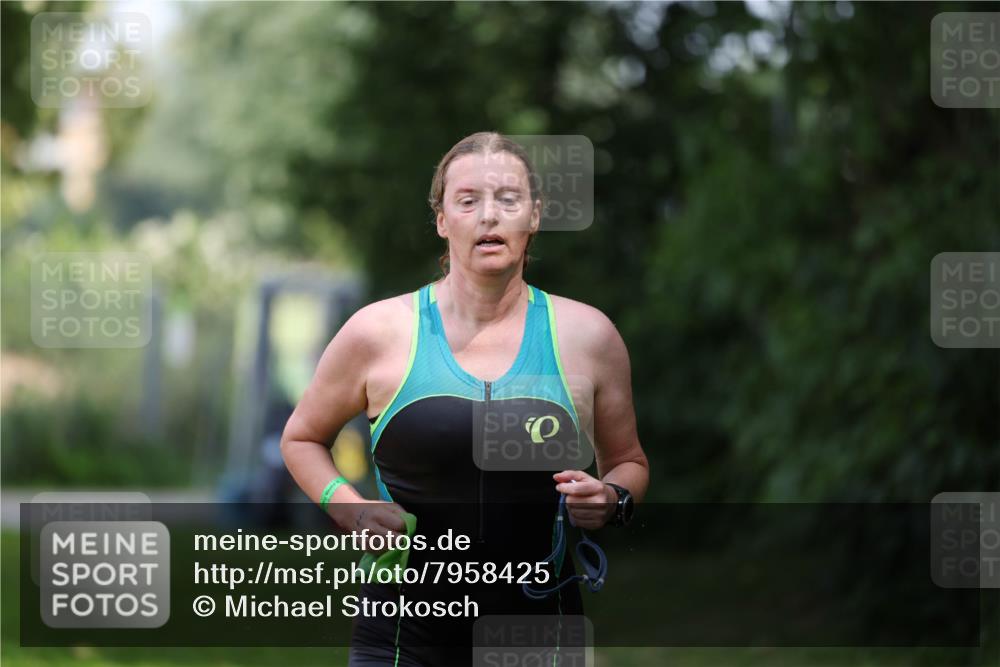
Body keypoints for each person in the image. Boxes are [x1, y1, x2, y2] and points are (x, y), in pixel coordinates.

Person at [281, 131, 649, 666]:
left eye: (508, 199)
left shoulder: (588, 336)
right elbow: (301, 438)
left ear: (535, 215)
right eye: (469, 200)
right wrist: (348, 507)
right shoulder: (377, 332)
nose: (489, 215)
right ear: (442, 220)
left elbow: (629, 463)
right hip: (400, 641)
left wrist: (611, 499)